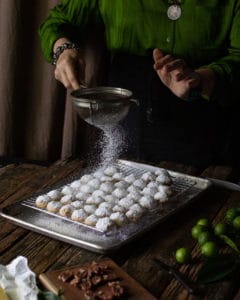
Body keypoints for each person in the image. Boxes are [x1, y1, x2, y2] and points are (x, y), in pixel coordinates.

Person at [39, 0, 240, 167]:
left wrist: (202, 79)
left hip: (207, 116)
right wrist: (63, 50)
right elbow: (60, 21)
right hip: (126, 111)